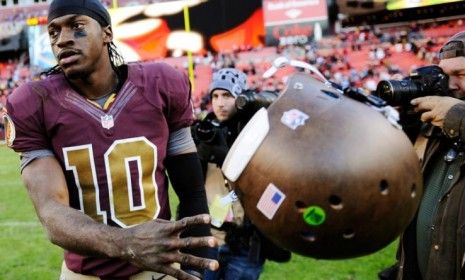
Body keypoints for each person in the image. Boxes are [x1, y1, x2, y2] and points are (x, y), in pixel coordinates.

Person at [2, 0, 219, 279]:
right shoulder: (34, 103)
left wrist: (194, 263)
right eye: (54, 32)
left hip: (155, 268)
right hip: (85, 272)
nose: (63, 40)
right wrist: (127, 244)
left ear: (107, 33)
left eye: (77, 27)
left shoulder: (161, 85)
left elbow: (191, 192)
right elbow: (51, 212)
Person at [192, 68, 290, 280]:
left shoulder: (260, 131)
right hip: (211, 237)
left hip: (247, 243)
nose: (220, 102)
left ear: (241, 98)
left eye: (227, 95)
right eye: (215, 96)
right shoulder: (206, 130)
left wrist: (227, 155)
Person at [382, 31, 465, 280]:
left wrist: (457, 117)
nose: (451, 85)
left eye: (461, 74)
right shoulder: (439, 126)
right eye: (446, 75)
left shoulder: (453, 118)